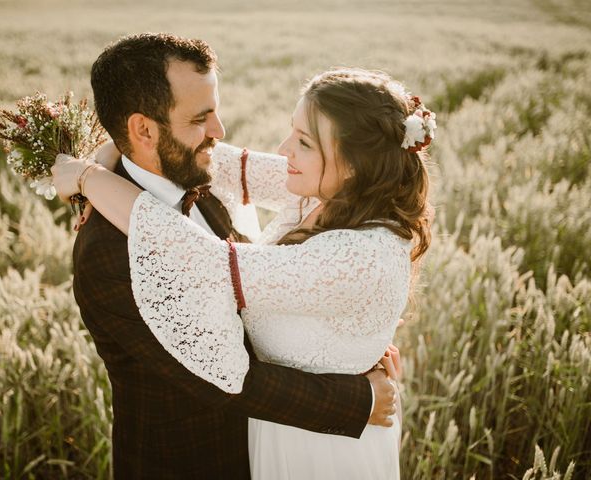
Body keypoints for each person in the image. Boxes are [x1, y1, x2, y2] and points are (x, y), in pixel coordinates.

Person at [54, 56, 435, 477]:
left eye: (304, 141)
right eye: (202, 117)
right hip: (196, 457)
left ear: (355, 164)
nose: (283, 149)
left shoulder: (356, 250)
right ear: (143, 128)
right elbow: (222, 163)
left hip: (320, 453)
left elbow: (206, 262)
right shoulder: (317, 190)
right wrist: (105, 159)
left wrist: (88, 177)